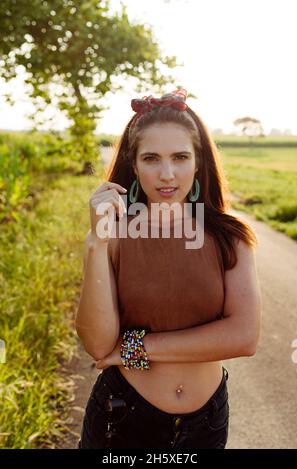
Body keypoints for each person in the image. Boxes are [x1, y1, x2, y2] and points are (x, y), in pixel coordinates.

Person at [75, 88, 261, 449]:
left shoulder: (230, 238)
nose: (167, 174)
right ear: (134, 162)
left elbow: (244, 337)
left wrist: (132, 348)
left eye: (179, 157)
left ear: (199, 162)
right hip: (122, 417)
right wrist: (96, 242)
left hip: (206, 424)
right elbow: (98, 345)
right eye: (151, 158)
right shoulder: (113, 236)